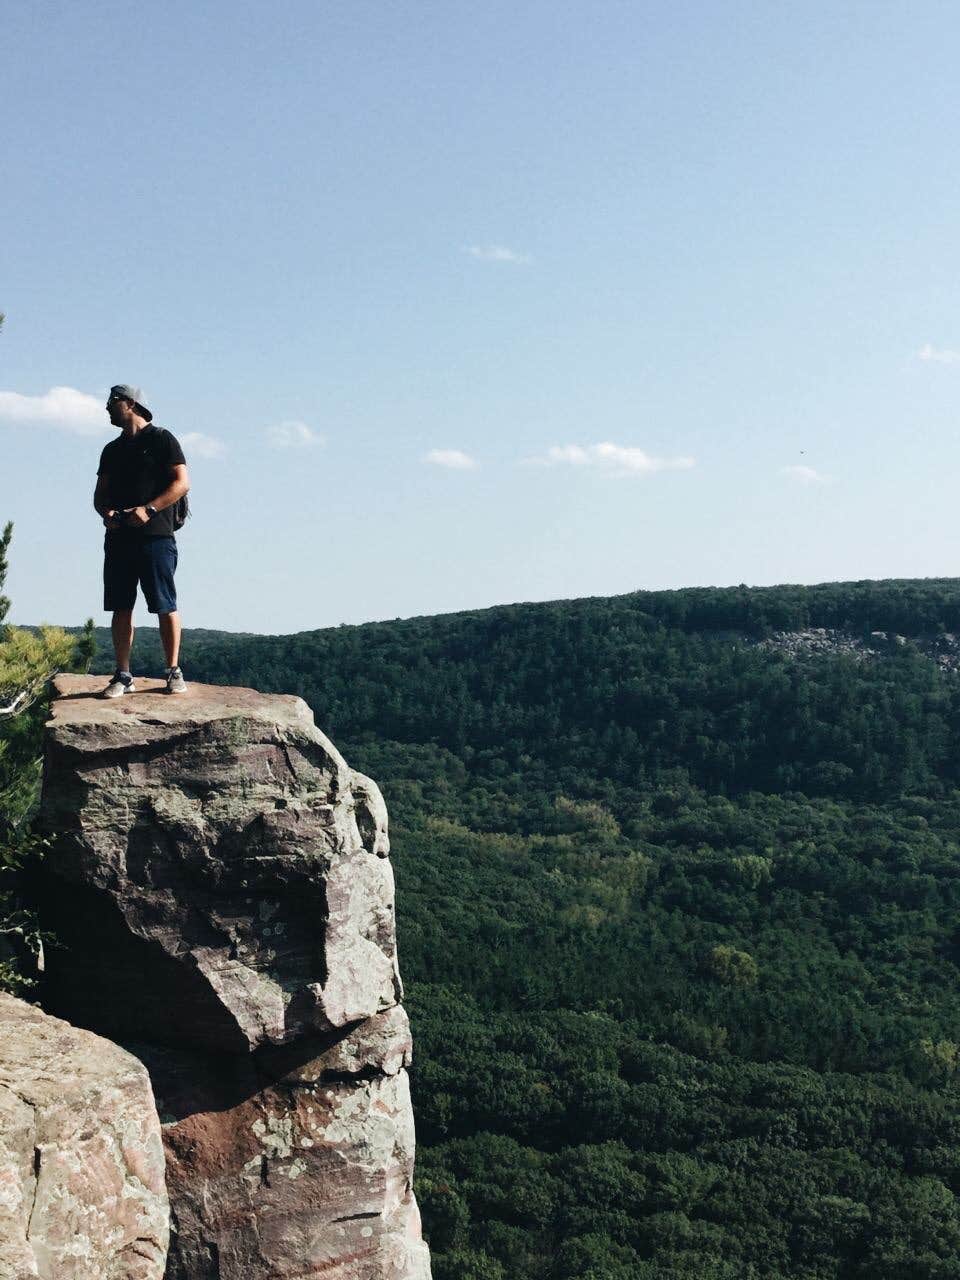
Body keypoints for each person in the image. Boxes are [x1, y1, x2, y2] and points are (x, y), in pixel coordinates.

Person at [93, 384, 190, 697]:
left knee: (165, 603)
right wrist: (107, 513)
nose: (107, 408)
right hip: (119, 538)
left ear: (131, 403)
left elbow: (182, 483)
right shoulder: (111, 450)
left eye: (112, 402)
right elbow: (99, 496)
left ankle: (173, 671)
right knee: (120, 606)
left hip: (156, 535)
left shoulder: (162, 439)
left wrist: (149, 510)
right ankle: (123, 675)